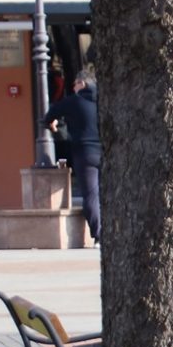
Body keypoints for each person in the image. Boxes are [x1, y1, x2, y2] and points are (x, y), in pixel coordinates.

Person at [46, 70, 102, 242]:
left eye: (75, 84)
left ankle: (99, 235)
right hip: (105, 150)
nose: (73, 87)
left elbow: (49, 115)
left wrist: (53, 124)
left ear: (83, 84)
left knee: (91, 194)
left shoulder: (74, 101)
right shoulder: (104, 100)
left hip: (85, 153)